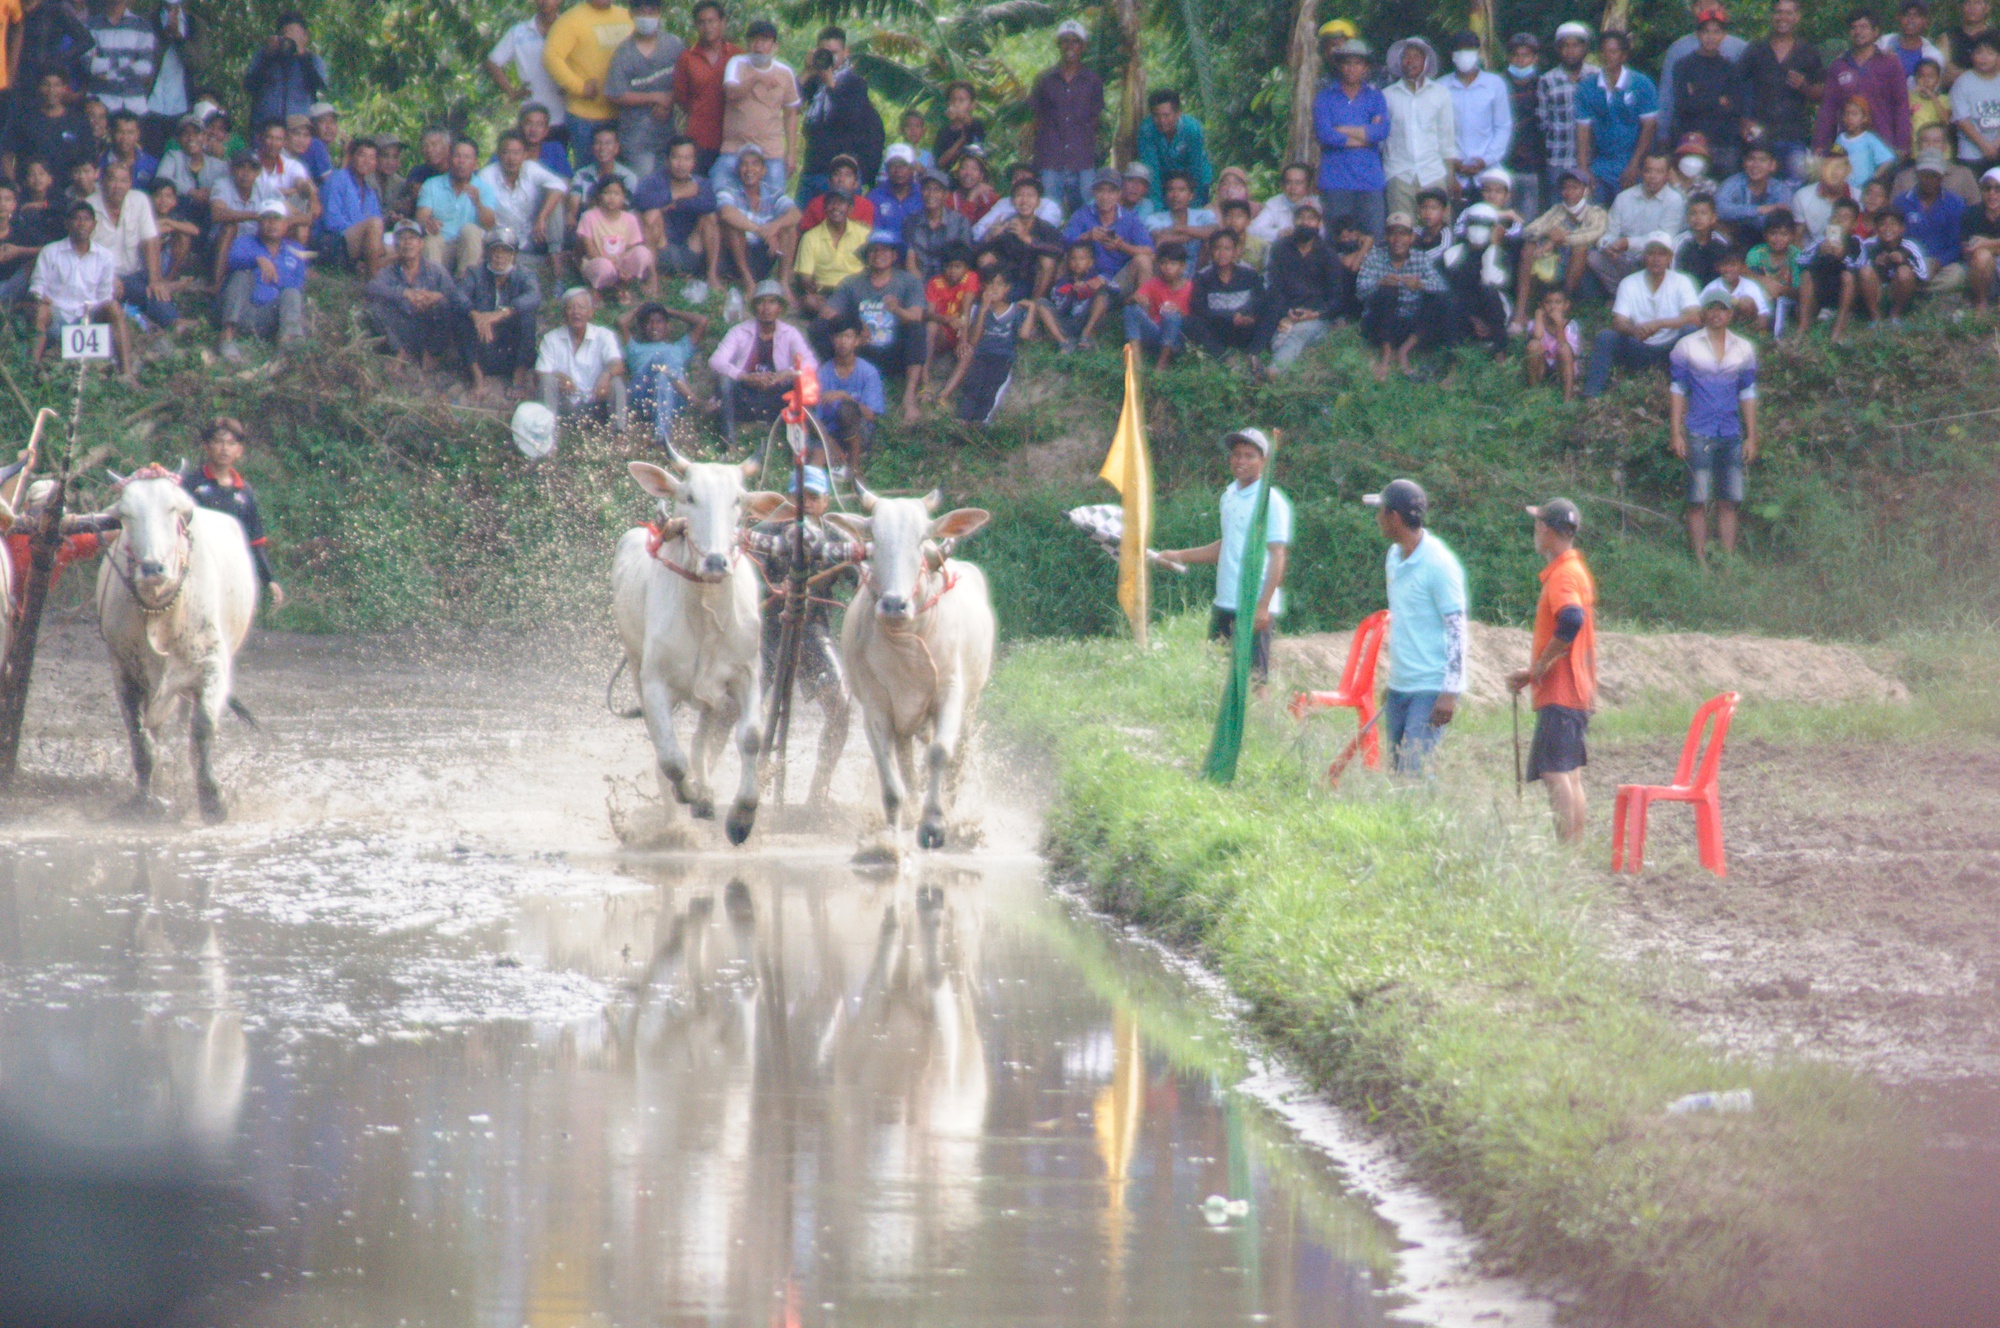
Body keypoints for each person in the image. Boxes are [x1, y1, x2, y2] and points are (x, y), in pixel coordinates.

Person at [1156, 428, 1291, 692]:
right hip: (1225, 601)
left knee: (1254, 682)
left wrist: (1263, 606)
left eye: (1249, 456)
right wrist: (1179, 556)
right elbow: (1226, 546)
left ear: (1263, 462)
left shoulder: (1271, 502)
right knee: (1217, 672)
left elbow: (1277, 555)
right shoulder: (1229, 496)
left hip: (1252, 605)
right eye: (1236, 455)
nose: (1240, 461)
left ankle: (1261, 729)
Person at [1359, 477, 1465, 774]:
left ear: (1393, 517)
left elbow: (1457, 628)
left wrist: (1450, 692)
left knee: (1414, 768)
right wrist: (1394, 684)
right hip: (1401, 686)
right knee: (1396, 770)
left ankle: (1424, 818)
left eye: (1380, 512)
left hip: (1431, 686)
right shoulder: (1393, 557)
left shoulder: (1440, 564)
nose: (1377, 519)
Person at [1507, 500, 1596, 844]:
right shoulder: (1575, 570)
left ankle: (1568, 857)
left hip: (1562, 691)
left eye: (1537, 525)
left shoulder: (1562, 574)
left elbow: (1572, 619)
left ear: (1545, 529)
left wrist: (1542, 665)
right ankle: (1572, 854)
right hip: (1576, 688)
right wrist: (1532, 673)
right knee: (1569, 774)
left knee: (1556, 774)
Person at [1670, 291, 1759, 565]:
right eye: (1712, 308)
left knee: (1729, 501)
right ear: (1703, 313)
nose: (1717, 314)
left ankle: (1728, 562)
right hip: (1698, 431)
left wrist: (1752, 437)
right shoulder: (1686, 346)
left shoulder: (1744, 348)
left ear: (1731, 314)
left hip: (1731, 432)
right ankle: (1701, 563)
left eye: (1723, 309)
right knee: (1697, 501)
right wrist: (1675, 432)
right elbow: (1677, 389)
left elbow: (1747, 392)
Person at [180, 418, 282, 606]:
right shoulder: (190, 484)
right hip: (192, 571)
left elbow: (255, 541)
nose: (224, 449)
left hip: (230, 574)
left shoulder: (244, 492)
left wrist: (270, 579)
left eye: (231, 443)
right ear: (206, 446)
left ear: (239, 450)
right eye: (218, 442)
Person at [1585, 231, 1700, 398]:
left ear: (1670, 257)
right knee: (1606, 337)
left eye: (1661, 254)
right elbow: (1618, 321)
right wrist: (1634, 330)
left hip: (1672, 348)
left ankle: (1689, 393)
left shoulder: (1682, 281)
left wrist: (1659, 324)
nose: (1656, 259)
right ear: (1644, 256)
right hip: (1641, 346)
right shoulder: (1629, 283)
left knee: (1690, 332)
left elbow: (1695, 317)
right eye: (1651, 253)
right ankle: (1591, 395)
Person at [822, 231, 923, 416]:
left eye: (885, 251)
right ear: (867, 256)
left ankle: (909, 396)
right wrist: (857, 327)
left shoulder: (909, 282)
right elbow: (828, 311)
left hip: (895, 351)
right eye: (874, 251)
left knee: (917, 330)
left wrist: (897, 310)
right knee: (820, 327)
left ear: (894, 256)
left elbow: (916, 316)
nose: (879, 255)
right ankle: (833, 379)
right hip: (863, 349)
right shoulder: (852, 283)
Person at [30, 199, 131, 379]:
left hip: (88, 318)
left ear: (94, 225)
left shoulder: (105, 256)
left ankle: (127, 373)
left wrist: (95, 310)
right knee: (41, 311)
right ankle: (31, 370)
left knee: (114, 307)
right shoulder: (50, 251)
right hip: (58, 317)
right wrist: (40, 298)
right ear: (67, 224)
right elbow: (37, 286)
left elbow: (104, 295)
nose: (81, 223)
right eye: (76, 219)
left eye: (86, 219)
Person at [709, 278, 815, 442]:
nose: (766, 308)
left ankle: (800, 444)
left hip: (777, 396)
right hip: (746, 395)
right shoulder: (739, 331)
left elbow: (811, 362)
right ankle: (728, 442)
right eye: (761, 303)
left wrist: (786, 374)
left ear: (780, 307)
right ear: (754, 307)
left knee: (803, 383)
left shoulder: (790, 333)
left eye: (772, 302)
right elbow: (716, 361)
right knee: (725, 381)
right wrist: (744, 376)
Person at [1739, 0, 1826, 181]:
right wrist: (1743, 119)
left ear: (1797, 17)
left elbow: (1822, 94)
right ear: (1771, 15)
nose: (1783, 18)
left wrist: (1804, 86)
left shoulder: (1808, 52)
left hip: (1794, 135)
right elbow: (1734, 84)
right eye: (1779, 12)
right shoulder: (1756, 49)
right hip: (1761, 136)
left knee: (1793, 190)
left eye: (1788, 13)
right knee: (1760, 187)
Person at [1357, 210, 1448, 381]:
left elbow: (1442, 286)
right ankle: (1386, 355)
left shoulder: (1420, 258)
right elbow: (1360, 291)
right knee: (1388, 292)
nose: (1398, 240)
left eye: (1403, 234)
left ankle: (1404, 351)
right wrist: (1380, 282)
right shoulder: (1375, 256)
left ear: (1411, 238)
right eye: (1393, 234)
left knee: (1438, 299)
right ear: (1386, 237)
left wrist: (1420, 284)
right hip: (1380, 323)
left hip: (1410, 323)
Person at [797, 26, 883, 200]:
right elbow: (789, 102)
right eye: (824, 52)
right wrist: (806, 72)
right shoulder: (814, 80)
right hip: (811, 168)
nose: (829, 58)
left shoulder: (855, 83)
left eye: (834, 53)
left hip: (841, 174)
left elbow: (850, 119)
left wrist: (830, 84)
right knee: (802, 224)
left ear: (845, 52)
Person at [714, 18, 797, 196]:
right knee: (720, 195)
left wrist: (791, 153)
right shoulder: (737, 63)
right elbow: (731, 93)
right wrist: (756, 78)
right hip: (735, 149)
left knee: (774, 202)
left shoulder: (785, 73)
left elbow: (791, 113)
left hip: (770, 152)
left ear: (775, 46)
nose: (758, 46)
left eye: (765, 41)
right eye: (754, 40)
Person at [455, 226, 542, 397]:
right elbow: (459, 296)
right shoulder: (475, 273)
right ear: (487, 253)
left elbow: (534, 296)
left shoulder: (525, 274)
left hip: (510, 346)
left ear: (514, 255)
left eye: (506, 251)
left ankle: (517, 380)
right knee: (461, 316)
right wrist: (477, 316)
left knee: (527, 317)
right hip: (483, 342)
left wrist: (502, 313)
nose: (500, 256)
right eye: (495, 251)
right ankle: (477, 379)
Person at [88, 158, 173, 329]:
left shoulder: (140, 200)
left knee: (154, 292)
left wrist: (155, 279)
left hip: (134, 274)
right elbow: (85, 252)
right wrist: (109, 277)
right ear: (102, 181)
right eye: (112, 179)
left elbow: (150, 240)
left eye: (123, 180)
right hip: (100, 279)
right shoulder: (88, 206)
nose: (117, 186)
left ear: (130, 183)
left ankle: (174, 323)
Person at [1576, 30, 1659, 204]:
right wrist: (1583, 168)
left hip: (1632, 161)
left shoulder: (1642, 84)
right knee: (1594, 212)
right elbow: (1582, 130)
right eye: (1604, 52)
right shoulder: (1587, 87)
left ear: (1623, 55)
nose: (1608, 56)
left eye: (1613, 52)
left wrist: (1635, 165)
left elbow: (1649, 127)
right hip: (1602, 163)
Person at [217, 199, 306, 361]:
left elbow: (297, 284)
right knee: (241, 276)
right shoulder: (244, 242)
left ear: (286, 224)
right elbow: (233, 260)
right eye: (266, 218)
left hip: (271, 315)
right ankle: (227, 337)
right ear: (259, 223)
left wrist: (276, 277)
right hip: (245, 311)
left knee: (292, 292)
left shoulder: (296, 250)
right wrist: (257, 259)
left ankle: (287, 342)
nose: (272, 224)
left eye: (277, 218)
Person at [543, 0, 633, 159]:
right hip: (586, 117)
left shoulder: (627, 16)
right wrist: (580, 87)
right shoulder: (571, 19)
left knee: (623, 174)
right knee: (588, 173)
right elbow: (551, 57)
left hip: (625, 114)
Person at [936, 264, 1024, 423]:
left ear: (1007, 288)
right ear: (983, 287)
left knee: (993, 385)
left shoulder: (1015, 310)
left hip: (1003, 357)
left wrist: (1031, 309)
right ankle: (962, 419)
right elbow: (973, 341)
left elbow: (1023, 336)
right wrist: (983, 310)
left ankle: (981, 421)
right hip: (981, 355)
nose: (994, 288)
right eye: (990, 284)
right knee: (972, 385)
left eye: (999, 284)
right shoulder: (977, 309)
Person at [1516, 167, 1607, 321]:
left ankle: (1563, 307)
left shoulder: (1596, 213)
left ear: (1586, 190)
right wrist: (1547, 233)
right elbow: (1529, 231)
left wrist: (1557, 240)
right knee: (1529, 247)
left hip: (1585, 275)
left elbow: (1592, 234)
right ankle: (1520, 312)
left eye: (1575, 187)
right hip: (1556, 264)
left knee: (1580, 248)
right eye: (1565, 188)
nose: (1569, 192)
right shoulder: (1557, 209)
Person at [1032, 19, 1102, 216]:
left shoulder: (1092, 80)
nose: (1070, 46)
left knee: (1089, 211)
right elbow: (1037, 117)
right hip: (1051, 158)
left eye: (1075, 41)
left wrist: (1080, 139)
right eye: (1065, 41)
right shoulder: (1044, 80)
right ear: (1058, 45)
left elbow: (1095, 118)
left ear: (1083, 46)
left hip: (1082, 159)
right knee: (1047, 211)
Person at [1265, 200, 1345, 374]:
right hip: (1287, 312)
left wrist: (1315, 314)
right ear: (1294, 221)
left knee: (1299, 332)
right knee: (1279, 338)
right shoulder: (1280, 248)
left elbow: (1337, 297)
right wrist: (1287, 313)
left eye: (1311, 218)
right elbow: (1274, 287)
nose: (1306, 222)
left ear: (1319, 223)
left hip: (1316, 316)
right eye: (1301, 217)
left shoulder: (1328, 254)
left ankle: (1273, 372)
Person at [604, 0, 681, 178]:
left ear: (659, 13)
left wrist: (668, 103)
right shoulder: (624, 53)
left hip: (668, 137)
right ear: (631, 14)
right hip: (636, 140)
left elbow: (686, 81)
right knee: (642, 186)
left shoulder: (674, 45)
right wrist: (655, 97)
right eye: (641, 11)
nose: (646, 16)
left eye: (651, 11)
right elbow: (615, 93)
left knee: (667, 185)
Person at [636, 135, 722, 294]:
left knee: (709, 216)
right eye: (676, 158)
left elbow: (710, 204)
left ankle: (712, 274)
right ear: (667, 160)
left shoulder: (701, 183)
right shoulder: (653, 180)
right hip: (662, 248)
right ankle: (652, 277)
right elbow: (641, 202)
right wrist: (677, 193)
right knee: (651, 214)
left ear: (694, 162)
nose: (681, 164)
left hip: (692, 248)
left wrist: (676, 202)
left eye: (687, 158)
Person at [367, 218, 456, 370]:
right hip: (401, 329)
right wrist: (403, 293)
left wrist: (436, 297)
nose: (407, 243)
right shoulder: (389, 271)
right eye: (402, 239)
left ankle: (430, 354)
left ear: (421, 244)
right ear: (395, 245)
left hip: (427, 328)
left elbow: (455, 294)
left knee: (444, 305)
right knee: (375, 306)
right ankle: (400, 352)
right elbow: (372, 288)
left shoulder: (435, 270)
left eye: (412, 238)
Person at [1817, 10, 1911, 154]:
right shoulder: (1838, 66)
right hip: (1847, 147)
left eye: (1864, 27)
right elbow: (1828, 108)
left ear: (1875, 32)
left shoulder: (1890, 63)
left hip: (1884, 146)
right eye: (1853, 27)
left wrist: (1903, 145)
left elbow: (1901, 105)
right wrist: (1820, 145)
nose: (1858, 32)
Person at [1383, 37, 1456, 222]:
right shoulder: (1387, 95)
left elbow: (1447, 140)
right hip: (1399, 175)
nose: (1411, 61)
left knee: (1437, 230)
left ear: (1426, 61)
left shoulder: (1440, 94)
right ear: (1399, 62)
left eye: (1417, 57)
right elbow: (1381, 140)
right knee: (1400, 230)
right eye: (1406, 57)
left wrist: (1451, 178)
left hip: (1432, 173)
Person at [538, 286, 628, 434]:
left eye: (581, 307)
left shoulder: (603, 336)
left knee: (616, 382)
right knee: (547, 381)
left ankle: (619, 434)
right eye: (571, 308)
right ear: (564, 314)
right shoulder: (551, 339)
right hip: (566, 407)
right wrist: (558, 376)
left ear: (591, 312)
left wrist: (606, 375)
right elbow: (540, 374)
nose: (576, 313)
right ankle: (547, 434)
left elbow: (617, 364)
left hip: (596, 404)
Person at [1589, 152, 1687, 288]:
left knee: (1659, 256)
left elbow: (1664, 238)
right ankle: (1618, 294)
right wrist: (1607, 246)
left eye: (1659, 172)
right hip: (1623, 257)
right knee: (1594, 258)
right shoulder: (1624, 198)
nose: (1653, 177)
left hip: (1653, 258)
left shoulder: (1674, 200)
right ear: (1641, 172)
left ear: (1667, 174)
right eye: (1648, 171)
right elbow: (1611, 233)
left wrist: (1628, 243)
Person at [1668, 9, 1746, 176]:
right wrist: (1717, 100)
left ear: (1724, 35)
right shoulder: (1683, 66)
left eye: (1716, 32)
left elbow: (1735, 108)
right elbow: (1683, 105)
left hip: (1723, 143)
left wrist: (1699, 96)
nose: (1711, 37)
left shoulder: (1731, 69)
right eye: (1706, 31)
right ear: (1698, 34)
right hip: (1692, 142)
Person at [617, 300, 706, 442]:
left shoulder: (680, 347)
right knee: (662, 357)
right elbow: (621, 322)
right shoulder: (635, 348)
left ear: (667, 326)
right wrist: (641, 307)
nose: (654, 326)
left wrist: (668, 310)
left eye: (659, 322)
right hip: (642, 395)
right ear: (643, 327)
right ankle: (694, 401)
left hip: (672, 400)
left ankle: (661, 437)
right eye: (649, 322)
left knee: (663, 377)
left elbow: (702, 321)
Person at [716, 147, 798, 297]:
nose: (749, 169)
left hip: (764, 253)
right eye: (744, 164)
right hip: (735, 254)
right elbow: (726, 213)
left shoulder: (772, 193)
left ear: (763, 171)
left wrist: (775, 226)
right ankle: (748, 281)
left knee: (789, 228)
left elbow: (795, 214)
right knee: (732, 227)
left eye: (755, 164)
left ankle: (783, 282)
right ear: (738, 170)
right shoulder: (728, 189)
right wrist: (762, 231)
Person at [486, 0, 568, 146]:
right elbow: (493, 62)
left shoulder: (570, 27)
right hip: (531, 119)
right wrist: (512, 92)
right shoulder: (519, 33)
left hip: (565, 114)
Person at [478, 129, 565, 264]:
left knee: (554, 197)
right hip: (501, 239)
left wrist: (541, 218)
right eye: (506, 152)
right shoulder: (486, 175)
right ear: (499, 154)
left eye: (516, 153)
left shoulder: (530, 168)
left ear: (525, 155)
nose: (511, 158)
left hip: (534, 236)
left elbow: (559, 185)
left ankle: (555, 253)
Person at [1063, 167, 1154, 295]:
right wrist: (1087, 236)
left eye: (1111, 192)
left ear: (1118, 194)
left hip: (1119, 277)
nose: (1105, 197)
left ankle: (1142, 309)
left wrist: (1122, 246)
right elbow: (1063, 241)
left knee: (1143, 260)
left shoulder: (1130, 218)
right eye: (1100, 191)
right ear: (1094, 192)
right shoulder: (1082, 214)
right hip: (1088, 276)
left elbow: (1149, 250)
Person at [1444, 30, 1512, 204]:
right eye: (1460, 50)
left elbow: (1503, 126)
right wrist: (1453, 163)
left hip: (1488, 175)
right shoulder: (1441, 86)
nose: (1465, 55)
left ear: (1478, 53)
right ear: (1452, 54)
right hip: (1453, 176)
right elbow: (1436, 131)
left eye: (1470, 50)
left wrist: (1485, 160)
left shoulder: (1494, 84)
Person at [1186, 228, 1268, 370]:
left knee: (1272, 306)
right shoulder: (1203, 277)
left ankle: (1253, 353)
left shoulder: (1249, 274)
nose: (1222, 253)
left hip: (1245, 327)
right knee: (1191, 322)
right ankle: (1225, 357)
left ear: (1236, 251)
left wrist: (1249, 316)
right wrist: (1230, 317)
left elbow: (1260, 300)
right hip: (1219, 329)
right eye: (1217, 248)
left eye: (1227, 249)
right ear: (1210, 251)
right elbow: (1199, 309)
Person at [673, 0, 738, 176]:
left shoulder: (737, 55)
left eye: (712, 21)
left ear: (722, 23)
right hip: (698, 139)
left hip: (731, 140)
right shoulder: (687, 58)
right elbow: (681, 97)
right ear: (696, 25)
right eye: (702, 22)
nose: (707, 26)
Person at [415, 137, 497, 276]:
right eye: (457, 156)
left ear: (475, 163)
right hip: (441, 247)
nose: (461, 162)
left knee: (471, 230)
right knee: (431, 240)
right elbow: (421, 217)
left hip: (469, 250)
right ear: (449, 159)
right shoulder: (432, 184)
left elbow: (489, 224)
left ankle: (465, 286)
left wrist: (477, 202)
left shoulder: (484, 188)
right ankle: (434, 289)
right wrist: (428, 224)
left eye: (467, 157)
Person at [1439, 202, 1510, 359]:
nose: (1478, 229)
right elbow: (1452, 291)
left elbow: (1490, 280)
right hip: (1463, 314)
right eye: (1474, 223)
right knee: (1451, 301)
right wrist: (1473, 319)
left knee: (1488, 291)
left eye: (1484, 224)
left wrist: (1493, 247)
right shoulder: (1452, 254)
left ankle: (1500, 355)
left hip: (1493, 315)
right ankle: (1453, 364)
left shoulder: (1500, 255)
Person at [812, 316, 883, 470]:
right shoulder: (823, 373)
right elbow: (816, 418)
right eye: (838, 336)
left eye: (848, 336)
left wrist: (846, 397)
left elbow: (871, 415)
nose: (843, 342)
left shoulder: (868, 372)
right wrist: (831, 444)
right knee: (814, 459)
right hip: (830, 434)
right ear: (832, 340)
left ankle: (854, 469)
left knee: (846, 409)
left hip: (860, 433)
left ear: (857, 341)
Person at [918, 243, 978, 414]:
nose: (952, 271)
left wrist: (963, 340)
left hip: (961, 330)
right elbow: (928, 314)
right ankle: (925, 385)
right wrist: (945, 319)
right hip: (942, 332)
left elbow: (966, 310)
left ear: (965, 267)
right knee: (930, 326)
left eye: (957, 266)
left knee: (967, 352)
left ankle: (944, 395)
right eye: (949, 266)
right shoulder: (935, 282)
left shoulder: (971, 278)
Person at [1537, 21, 1594, 202]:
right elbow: (1542, 122)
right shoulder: (1547, 80)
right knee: (1557, 212)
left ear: (1585, 48)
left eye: (1576, 45)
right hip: (1558, 160)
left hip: (1592, 160)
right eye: (1565, 46)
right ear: (1558, 49)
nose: (1570, 51)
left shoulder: (1596, 77)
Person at [312, 135, 385, 277]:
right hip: (333, 242)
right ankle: (373, 280)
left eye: (372, 158)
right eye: (362, 155)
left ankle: (364, 268)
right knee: (374, 224)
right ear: (351, 157)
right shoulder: (338, 178)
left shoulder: (370, 192)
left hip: (358, 243)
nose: (367, 161)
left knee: (398, 247)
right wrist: (363, 231)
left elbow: (377, 225)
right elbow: (331, 221)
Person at [576, 175, 655, 301]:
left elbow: (631, 247)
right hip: (598, 262)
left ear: (623, 197)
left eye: (616, 194)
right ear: (599, 196)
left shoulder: (630, 219)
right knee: (603, 266)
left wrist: (620, 265)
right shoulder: (589, 217)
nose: (611, 198)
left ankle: (623, 284)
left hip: (620, 262)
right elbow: (590, 250)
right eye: (607, 193)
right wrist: (612, 264)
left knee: (643, 253)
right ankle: (598, 289)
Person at [242, 13, 326, 129]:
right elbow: (249, 86)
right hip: (265, 128)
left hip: (298, 129)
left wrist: (302, 56)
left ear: (305, 37)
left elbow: (318, 86)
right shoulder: (264, 55)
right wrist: (268, 57)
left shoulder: (312, 59)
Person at [1896, 151, 1967, 286]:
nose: (1929, 180)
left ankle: (1917, 290)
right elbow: (1898, 238)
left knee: (1958, 274)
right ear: (1917, 174)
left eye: (1933, 175)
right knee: (1903, 273)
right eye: (1924, 175)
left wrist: (1939, 262)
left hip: (1943, 263)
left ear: (1941, 177)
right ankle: (1914, 287)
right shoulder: (1901, 201)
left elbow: (1958, 243)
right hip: (1910, 261)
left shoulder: (1956, 203)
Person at [12, 70, 91, 184]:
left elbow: (89, 157)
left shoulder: (79, 121)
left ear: (64, 88)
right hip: (32, 188)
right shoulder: (25, 119)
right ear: (39, 87)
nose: (51, 90)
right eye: (46, 84)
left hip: (69, 189)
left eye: (57, 85)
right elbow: (8, 154)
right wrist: (13, 184)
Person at [793, 187, 866, 309]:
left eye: (841, 203)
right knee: (809, 302)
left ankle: (833, 315)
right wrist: (813, 290)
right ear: (825, 208)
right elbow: (805, 275)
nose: (836, 207)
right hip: (826, 291)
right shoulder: (810, 237)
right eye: (831, 203)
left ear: (850, 209)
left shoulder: (864, 234)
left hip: (856, 290)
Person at [1714, 142, 1796, 247]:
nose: (1756, 165)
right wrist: (1759, 210)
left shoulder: (1781, 189)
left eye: (1762, 160)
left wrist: (1740, 216)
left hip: (1769, 242)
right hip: (1735, 239)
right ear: (1744, 162)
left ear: (1772, 165)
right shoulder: (1733, 182)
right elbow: (1718, 208)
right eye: (1751, 159)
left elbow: (1782, 220)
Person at [1036, 238, 1112, 350]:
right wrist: (1072, 293)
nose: (1077, 263)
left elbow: (1116, 290)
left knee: (1103, 295)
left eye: (1082, 259)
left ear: (1090, 262)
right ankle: (1063, 342)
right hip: (1065, 322)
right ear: (1068, 262)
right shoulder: (1063, 282)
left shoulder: (1095, 278)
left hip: (1085, 320)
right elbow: (1060, 309)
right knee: (1041, 303)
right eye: (1073, 259)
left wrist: (1095, 285)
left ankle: (1086, 336)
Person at [1858, 204, 1930, 319]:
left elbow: (1923, 275)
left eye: (1893, 224)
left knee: (1904, 272)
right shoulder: (1868, 245)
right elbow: (1857, 271)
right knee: (1866, 271)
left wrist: (1904, 261)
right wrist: (1874, 262)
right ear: (1876, 228)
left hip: (1898, 293)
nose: (1888, 228)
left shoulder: (1909, 246)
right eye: (1882, 224)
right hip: (1876, 292)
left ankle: (1895, 315)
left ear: (1902, 228)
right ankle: (1875, 316)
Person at [1501, 33, 1545, 218]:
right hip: (1504, 162)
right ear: (1509, 58)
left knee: (1529, 219)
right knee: (1504, 217)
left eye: (1526, 55)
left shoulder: (1543, 84)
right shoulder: (1499, 83)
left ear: (1535, 58)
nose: (1520, 60)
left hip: (1533, 164)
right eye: (1516, 55)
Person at [905, 168, 971, 278]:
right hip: (918, 280)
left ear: (945, 194)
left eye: (937, 190)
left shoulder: (960, 222)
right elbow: (910, 262)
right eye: (927, 189)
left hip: (950, 280)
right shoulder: (910, 221)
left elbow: (964, 261)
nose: (931, 194)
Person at [1747, 207, 1801, 331]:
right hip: (1762, 299)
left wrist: (1780, 290)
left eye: (1784, 234)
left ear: (1792, 235)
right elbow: (1746, 279)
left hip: (1787, 301)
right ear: (1765, 234)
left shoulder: (1797, 256)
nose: (1778, 239)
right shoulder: (1757, 253)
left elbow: (1799, 290)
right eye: (1773, 234)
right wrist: (1766, 283)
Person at [1952, 32, 2000, 167]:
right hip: (1970, 154)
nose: (1984, 58)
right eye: (1979, 52)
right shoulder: (1962, 82)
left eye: (1990, 53)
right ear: (1972, 55)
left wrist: (1995, 145)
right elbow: (1962, 120)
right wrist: (1984, 146)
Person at [1525, 284, 1581, 399]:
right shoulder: (1535, 323)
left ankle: (1567, 397)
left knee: (1564, 349)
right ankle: (1533, 391)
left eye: (1558, 302)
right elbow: (1537, 336)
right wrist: (1538, 316)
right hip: (1543, 368)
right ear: (1541, 305)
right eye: (1548, 302)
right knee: (1533, 345)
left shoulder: (1571, 325)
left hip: (1562, 369)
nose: (1553, 307)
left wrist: (1559, 325)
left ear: (1566, 305)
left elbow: (1570, 352)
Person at [1701, 245, 1775, 329]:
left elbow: (1763, 312)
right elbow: (1698, 309)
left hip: (1747, 327)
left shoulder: (1750, 286)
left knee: (1746, 302)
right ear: (1717, 267)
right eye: (1724, 265)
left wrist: (1758, 329)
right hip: (1720, 326)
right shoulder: (1712, 287)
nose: (1728, 269)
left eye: (1733, 265)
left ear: (1742, 266)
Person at [1248, 162, 1320, 246]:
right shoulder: (1275, 203)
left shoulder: (1317, 205)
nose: (1293, 188)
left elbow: (1323, 233)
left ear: (1308, 186)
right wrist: (1279, 233)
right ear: (1283, 185)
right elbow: (1253, 229)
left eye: (1298, 183)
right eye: (1288, 182)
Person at [1834, 96, 1898, 186]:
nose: (1849, 118)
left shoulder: (1869, 139)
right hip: (1844, 188)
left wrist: (1873, 179)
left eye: (1854, 114)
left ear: (1864, 118)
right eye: (1846, 114)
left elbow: (1887, 160)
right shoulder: (1840, 139)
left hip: (1863, 189)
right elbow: (1834, 160)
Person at [866, 143, 922, 243]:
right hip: (885, 254)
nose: (898, 171)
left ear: (912, 168)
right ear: (886, 169)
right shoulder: (874, 197)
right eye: (893, 166)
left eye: (903, 165)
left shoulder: (923, 195)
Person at [1675, 195, 1732, 287]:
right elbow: (1674, 272)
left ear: (1713, 218)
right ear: (1687, 218)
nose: (1698, 218)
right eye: (1693, 213)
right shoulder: (1679, 243)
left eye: (1703, 213)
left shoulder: (1722, 243)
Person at [1964, 165, 2000, 308]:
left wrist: (1985, 244)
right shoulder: (1972, 214)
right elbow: (1967, 248)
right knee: (1982, 256)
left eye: (1998, 189)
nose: (1992, 193)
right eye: (1987, 188)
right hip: (1982, 270)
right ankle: (1981, 304)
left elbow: (1978, 244)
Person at [0, 183, 41, 308]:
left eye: (7, 199)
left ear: (14, 205)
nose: (2, 204)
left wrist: (19, 251)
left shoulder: (22, 231)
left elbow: (48, 250)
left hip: (14, 288)